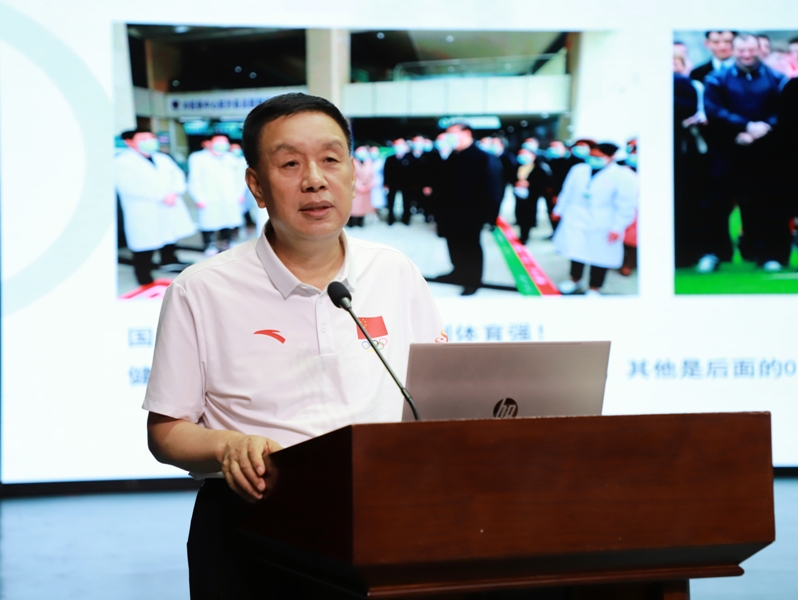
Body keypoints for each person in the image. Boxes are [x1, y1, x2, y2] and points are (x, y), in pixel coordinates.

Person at [144, 93, 445, 600]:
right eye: (289, 164)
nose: (314, 179)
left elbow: (434, 397)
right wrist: (227, 445)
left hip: (386, 515)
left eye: (331, 159)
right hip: (258, 524)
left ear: (353, 171)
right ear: (257, 185)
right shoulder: (202, 288)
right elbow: (166, 431)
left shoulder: (394, 270)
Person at [701, 33, 788, 272]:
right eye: (742, 50)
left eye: (751, 50)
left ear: (759, 49)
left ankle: (769, 255)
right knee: (717, 205)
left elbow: (785, 110)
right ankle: (714, 254)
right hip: (727, 151)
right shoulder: (716, 79)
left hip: (765, 153)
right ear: (734, 50)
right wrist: (745, 126)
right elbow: (713, 110)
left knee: (767, 205)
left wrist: (762, 128)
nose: (747, 55)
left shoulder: (777, 79)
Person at [552, 142, 637, 296]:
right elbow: (567, 192)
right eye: (591, 156)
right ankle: (574, 279)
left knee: (600, 256)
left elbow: (626, 205)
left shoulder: (624, 176)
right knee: (575, 250)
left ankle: (594, 288)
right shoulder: (578, 170)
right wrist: (559, 210)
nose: (593, 159)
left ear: (612, 156)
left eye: (598, 157)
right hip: (577, 217)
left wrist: (618, 227)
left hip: (605, 221)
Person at [115, 128, 196, 285]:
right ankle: (143, 275)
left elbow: (177, 175)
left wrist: (174, 192)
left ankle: (169, 262)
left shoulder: (162, 158)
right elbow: (127, 186)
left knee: (169, 235)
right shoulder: (122, 161)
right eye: (143, 139)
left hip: (168, 204)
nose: (149, 142)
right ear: (129, 142)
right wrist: (162, 196)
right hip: (144, 208)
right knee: (145, 242)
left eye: (151, 138)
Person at [434, 123, 503, 296]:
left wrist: (488, 216)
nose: (448, 137)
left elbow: (493, 189)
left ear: (466, 134)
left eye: (452, 133)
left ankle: (473, 280)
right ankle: (458, 272)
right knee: (454, 244)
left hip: (472, 214)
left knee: (470, 247)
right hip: (450, 212)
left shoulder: (482, 157)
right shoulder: (453, 155)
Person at [188, 133, 246, 255]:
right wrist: (198, 197)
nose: (222, 145)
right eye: (218, 142)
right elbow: (194, 179)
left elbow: (240, 178)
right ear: (209, 143)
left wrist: (240, 193)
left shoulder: (232, 158)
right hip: (208, 196)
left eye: (224, 142)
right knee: (208, 222)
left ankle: (228, 240)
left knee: (229, 220)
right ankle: (209, 244)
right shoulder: (198, 158)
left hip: (230, 195)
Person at [513, 147, 553, 244]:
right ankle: (522, 231)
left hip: (532, 196)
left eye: (525, 154)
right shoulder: (517, 166)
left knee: (528, 215)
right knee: (520, 213)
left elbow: (543, 183)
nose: (522, 156)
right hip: (519, 195)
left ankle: (525, 235)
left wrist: (529, 184)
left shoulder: (539, 168)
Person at [382, 137, 412, 225]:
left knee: (406, 202)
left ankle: (406, 219)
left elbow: (413, 172)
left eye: (401, 144)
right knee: (391, 202)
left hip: (406, 184)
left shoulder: (410, 157)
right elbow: (386, 172)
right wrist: (385, 184)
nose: (399, 146)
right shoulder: (390, 158)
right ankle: (391, 219)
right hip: (392, 184)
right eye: (397, 144)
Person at [350, 145, 374, 227]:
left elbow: (372, 175)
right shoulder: (352, 162)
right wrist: (359, 186)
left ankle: (361, 221)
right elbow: (351, 176)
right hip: (355, 188)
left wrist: (368, 185)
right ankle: (352, 222)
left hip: (366, 189)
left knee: (364, 206)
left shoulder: (369, 162)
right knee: (354, 206)